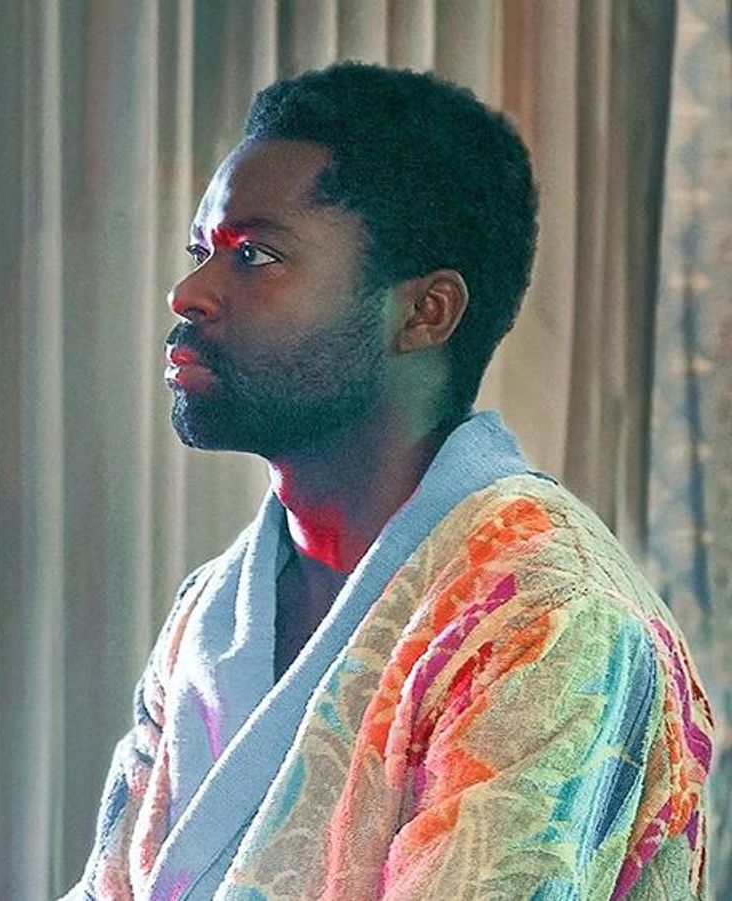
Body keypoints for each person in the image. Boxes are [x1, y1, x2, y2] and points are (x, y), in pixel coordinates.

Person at [66, 63, 713, 900]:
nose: (188, 293)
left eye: (254, 254)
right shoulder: (214, 611)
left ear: (423, 313)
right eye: (203, 251)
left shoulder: (547, 617)